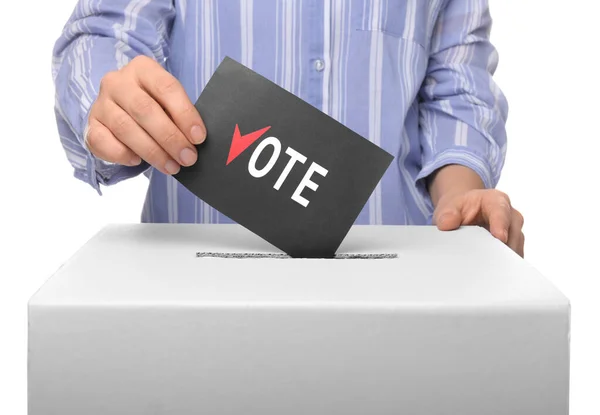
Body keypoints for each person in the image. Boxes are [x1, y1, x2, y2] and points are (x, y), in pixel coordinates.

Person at [52, 0, 524, 257]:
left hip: (392, 295)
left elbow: (457, 85)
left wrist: (460, 194)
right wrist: (111, 99)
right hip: (195, 294)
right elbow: (106, 32)